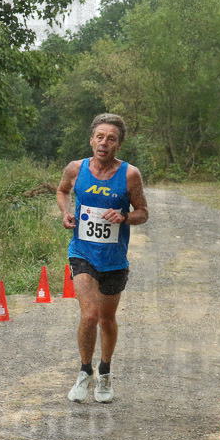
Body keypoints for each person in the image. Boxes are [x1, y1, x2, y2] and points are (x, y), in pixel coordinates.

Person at [55, 113, 148, 403]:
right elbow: (61, 191)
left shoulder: (130, 174)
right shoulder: (76, 168)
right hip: (82, 252)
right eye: (100, 137)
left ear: (118, 145)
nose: (104, 142)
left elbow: (143, 212)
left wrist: (124, 216)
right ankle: (85, 372)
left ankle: (105, 370)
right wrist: (65, 212)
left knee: (107, 318)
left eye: (111, 138)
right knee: (90, 314)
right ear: (91, 139)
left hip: (114, 259)